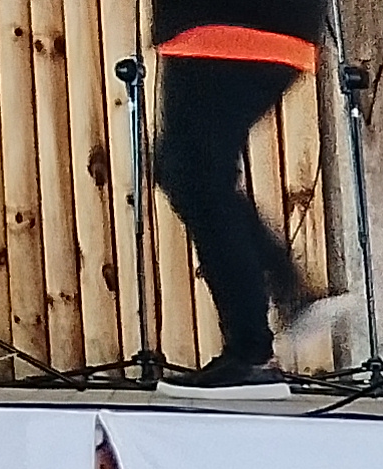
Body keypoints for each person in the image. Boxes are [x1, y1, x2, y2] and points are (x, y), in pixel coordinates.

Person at [149, 0, 349, 395]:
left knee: (194, 176)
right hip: (265, 30)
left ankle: (253, 346)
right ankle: (284, 300)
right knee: (194, 175)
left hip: (220, 27)